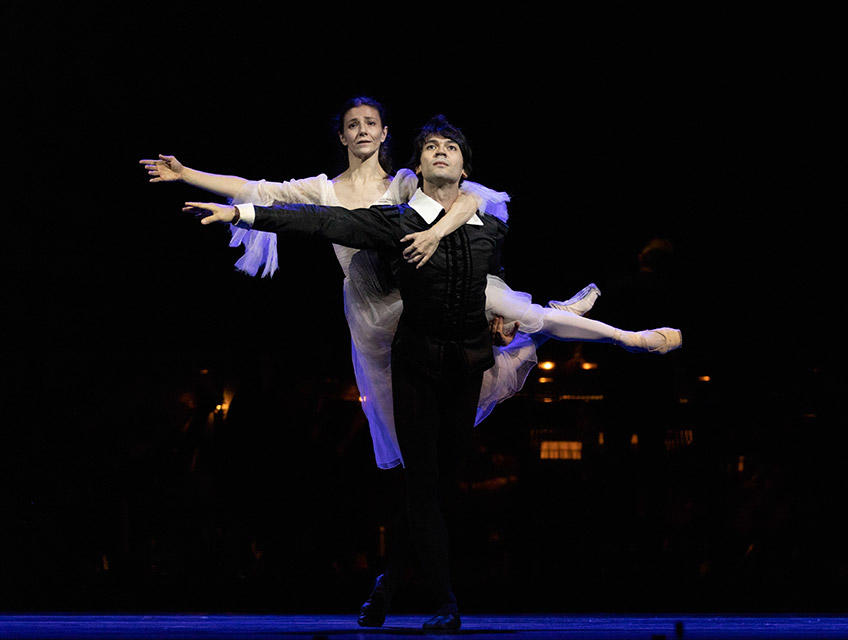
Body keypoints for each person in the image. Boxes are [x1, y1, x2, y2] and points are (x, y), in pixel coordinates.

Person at [183, 115, 680, 630]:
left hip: (462, 350)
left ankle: (389, 584)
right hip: (399, 335)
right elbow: (316, 218)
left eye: (450, 148)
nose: (440, 152)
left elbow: (474, 212)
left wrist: (474, 276)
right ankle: (444, 600)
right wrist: (238, 212)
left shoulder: (469, 217)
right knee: (421, 481)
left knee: (438, 483)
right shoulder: (389, 217)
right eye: (432, 148)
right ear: (414, 164)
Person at [140, 97, 678, 473]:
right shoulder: (323, 189)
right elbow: (257, 189)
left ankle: (621, 336)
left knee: (508, 304)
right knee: (415, 423)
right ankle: (530, 333)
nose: (362, 130)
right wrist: (188, 175)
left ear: (384, 132)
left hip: (423, 282)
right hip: (374, 307)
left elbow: (470, 199)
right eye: (353, 124)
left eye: (371, 122)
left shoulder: (404, 182)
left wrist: (437, 232)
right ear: (343, 135)